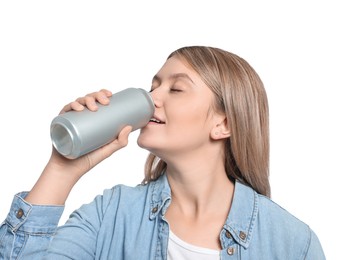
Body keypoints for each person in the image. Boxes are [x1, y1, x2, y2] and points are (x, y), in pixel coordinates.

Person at [0, 46, 325, 259]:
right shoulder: (110, 214)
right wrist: (62, 168)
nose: (152, 97)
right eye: (153, 85)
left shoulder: (294, 244)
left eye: (176, 88)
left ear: (223, 123)